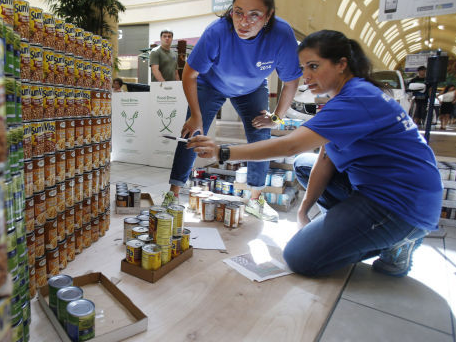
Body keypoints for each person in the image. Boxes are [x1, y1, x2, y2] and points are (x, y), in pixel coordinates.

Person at [188, 30, 443, 277]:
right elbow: (324, 158)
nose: (305, 76)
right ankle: (347, 229)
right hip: (378, 187)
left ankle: (397, 242)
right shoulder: (346, 96)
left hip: (403, 204)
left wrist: (223, 152)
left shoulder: (356, 99)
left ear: (341, 64)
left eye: (313, 66)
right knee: (303, 164)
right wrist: (303, 211)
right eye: (302, 68)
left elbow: (290, 146)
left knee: (300, 258)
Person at [167, 0, 302, 220]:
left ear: (268, 15)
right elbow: (189, 74)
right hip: (211, 83)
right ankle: (173, 195)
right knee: (192, 133)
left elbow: (292, 81)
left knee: (262, 135)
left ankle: (255, 199)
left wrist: (277, 118)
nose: (243, 22)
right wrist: (196, 116)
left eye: (254, 15)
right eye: (238, 12)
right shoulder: (217, 31)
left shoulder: (282, 35)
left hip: (251, 88)